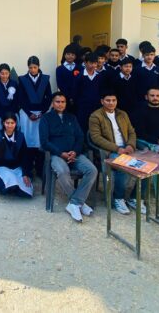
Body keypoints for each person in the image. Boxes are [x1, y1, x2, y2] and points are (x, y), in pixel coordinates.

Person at [39, 92, 97, 222]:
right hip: (57, 155)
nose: (60, 104)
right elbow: (44, 142)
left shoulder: (72, 118)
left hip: (74, 154)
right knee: (62, 171)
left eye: (63, 102)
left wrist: (75, 152)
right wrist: (61, 153)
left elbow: (80, 137)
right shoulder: (46, 119)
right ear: (53, 103)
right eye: (57, 102)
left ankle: (75, 203)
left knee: (92, 170)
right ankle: (79, 202)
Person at [88, 90, 144, 215]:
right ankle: (118, 198)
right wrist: (117, 148)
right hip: (110, 151)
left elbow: (131, 132)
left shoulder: (122, 114)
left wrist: (130, 145)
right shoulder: (95, 116)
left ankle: (135, 198)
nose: (111, 103)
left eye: (114, 100)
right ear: (102, 101)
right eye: (108, 100)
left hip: (126, 148)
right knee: (123, 165)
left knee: (147, 165)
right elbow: (96, 138)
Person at [0, 112, 33, 198]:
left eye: (12, 123)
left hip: (17, 167)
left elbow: (24, 156)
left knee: (27, 191)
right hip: (2, 167)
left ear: (15, 123)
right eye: (7, 123)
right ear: (3, 123)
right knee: (11, 184)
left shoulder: (20, 136)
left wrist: (25, 173)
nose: (10, 125)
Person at [17, 56, 52, 155]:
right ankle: (27, 157)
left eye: (35, 67)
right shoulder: (23, 79)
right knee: (27, 136)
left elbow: (49, 97)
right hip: (27, 112)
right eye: (30, 67)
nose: (33, 70)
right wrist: (29, 113)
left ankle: (39, 158)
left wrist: (43, 112)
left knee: (39, 137)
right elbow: (21, 98)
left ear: (39, 66)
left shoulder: (45, 79)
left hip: (41, 112)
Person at [73, 53, 102, 132]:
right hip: (82, 107)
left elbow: (101, 91)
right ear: (85, 63)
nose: (93, 65)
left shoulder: (99, 76)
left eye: (95, 63)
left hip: (96, 106)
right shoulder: (79, 76)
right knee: (83, 126)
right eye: (91, 63)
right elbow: (75, 92)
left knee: (95, 126)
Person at [0, 63, 19, 135]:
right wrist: (2, 115)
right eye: (2, 73)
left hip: (11, 112)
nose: (4, 76)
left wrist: (9, 115)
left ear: (9, 73)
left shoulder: (14, 83)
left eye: (6, 73)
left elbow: (16, 101)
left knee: (15, 123)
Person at [56, 44, 80, 112]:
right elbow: (60, 84)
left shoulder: (79, 68)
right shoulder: (59, 69)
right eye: (68, 54)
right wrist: (69, 97)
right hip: (64, 98)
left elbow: (80, 83)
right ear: (64, 55)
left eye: (72, 54)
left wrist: (74, 96)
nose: (70, 56)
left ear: (75, 56)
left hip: (77, 98)